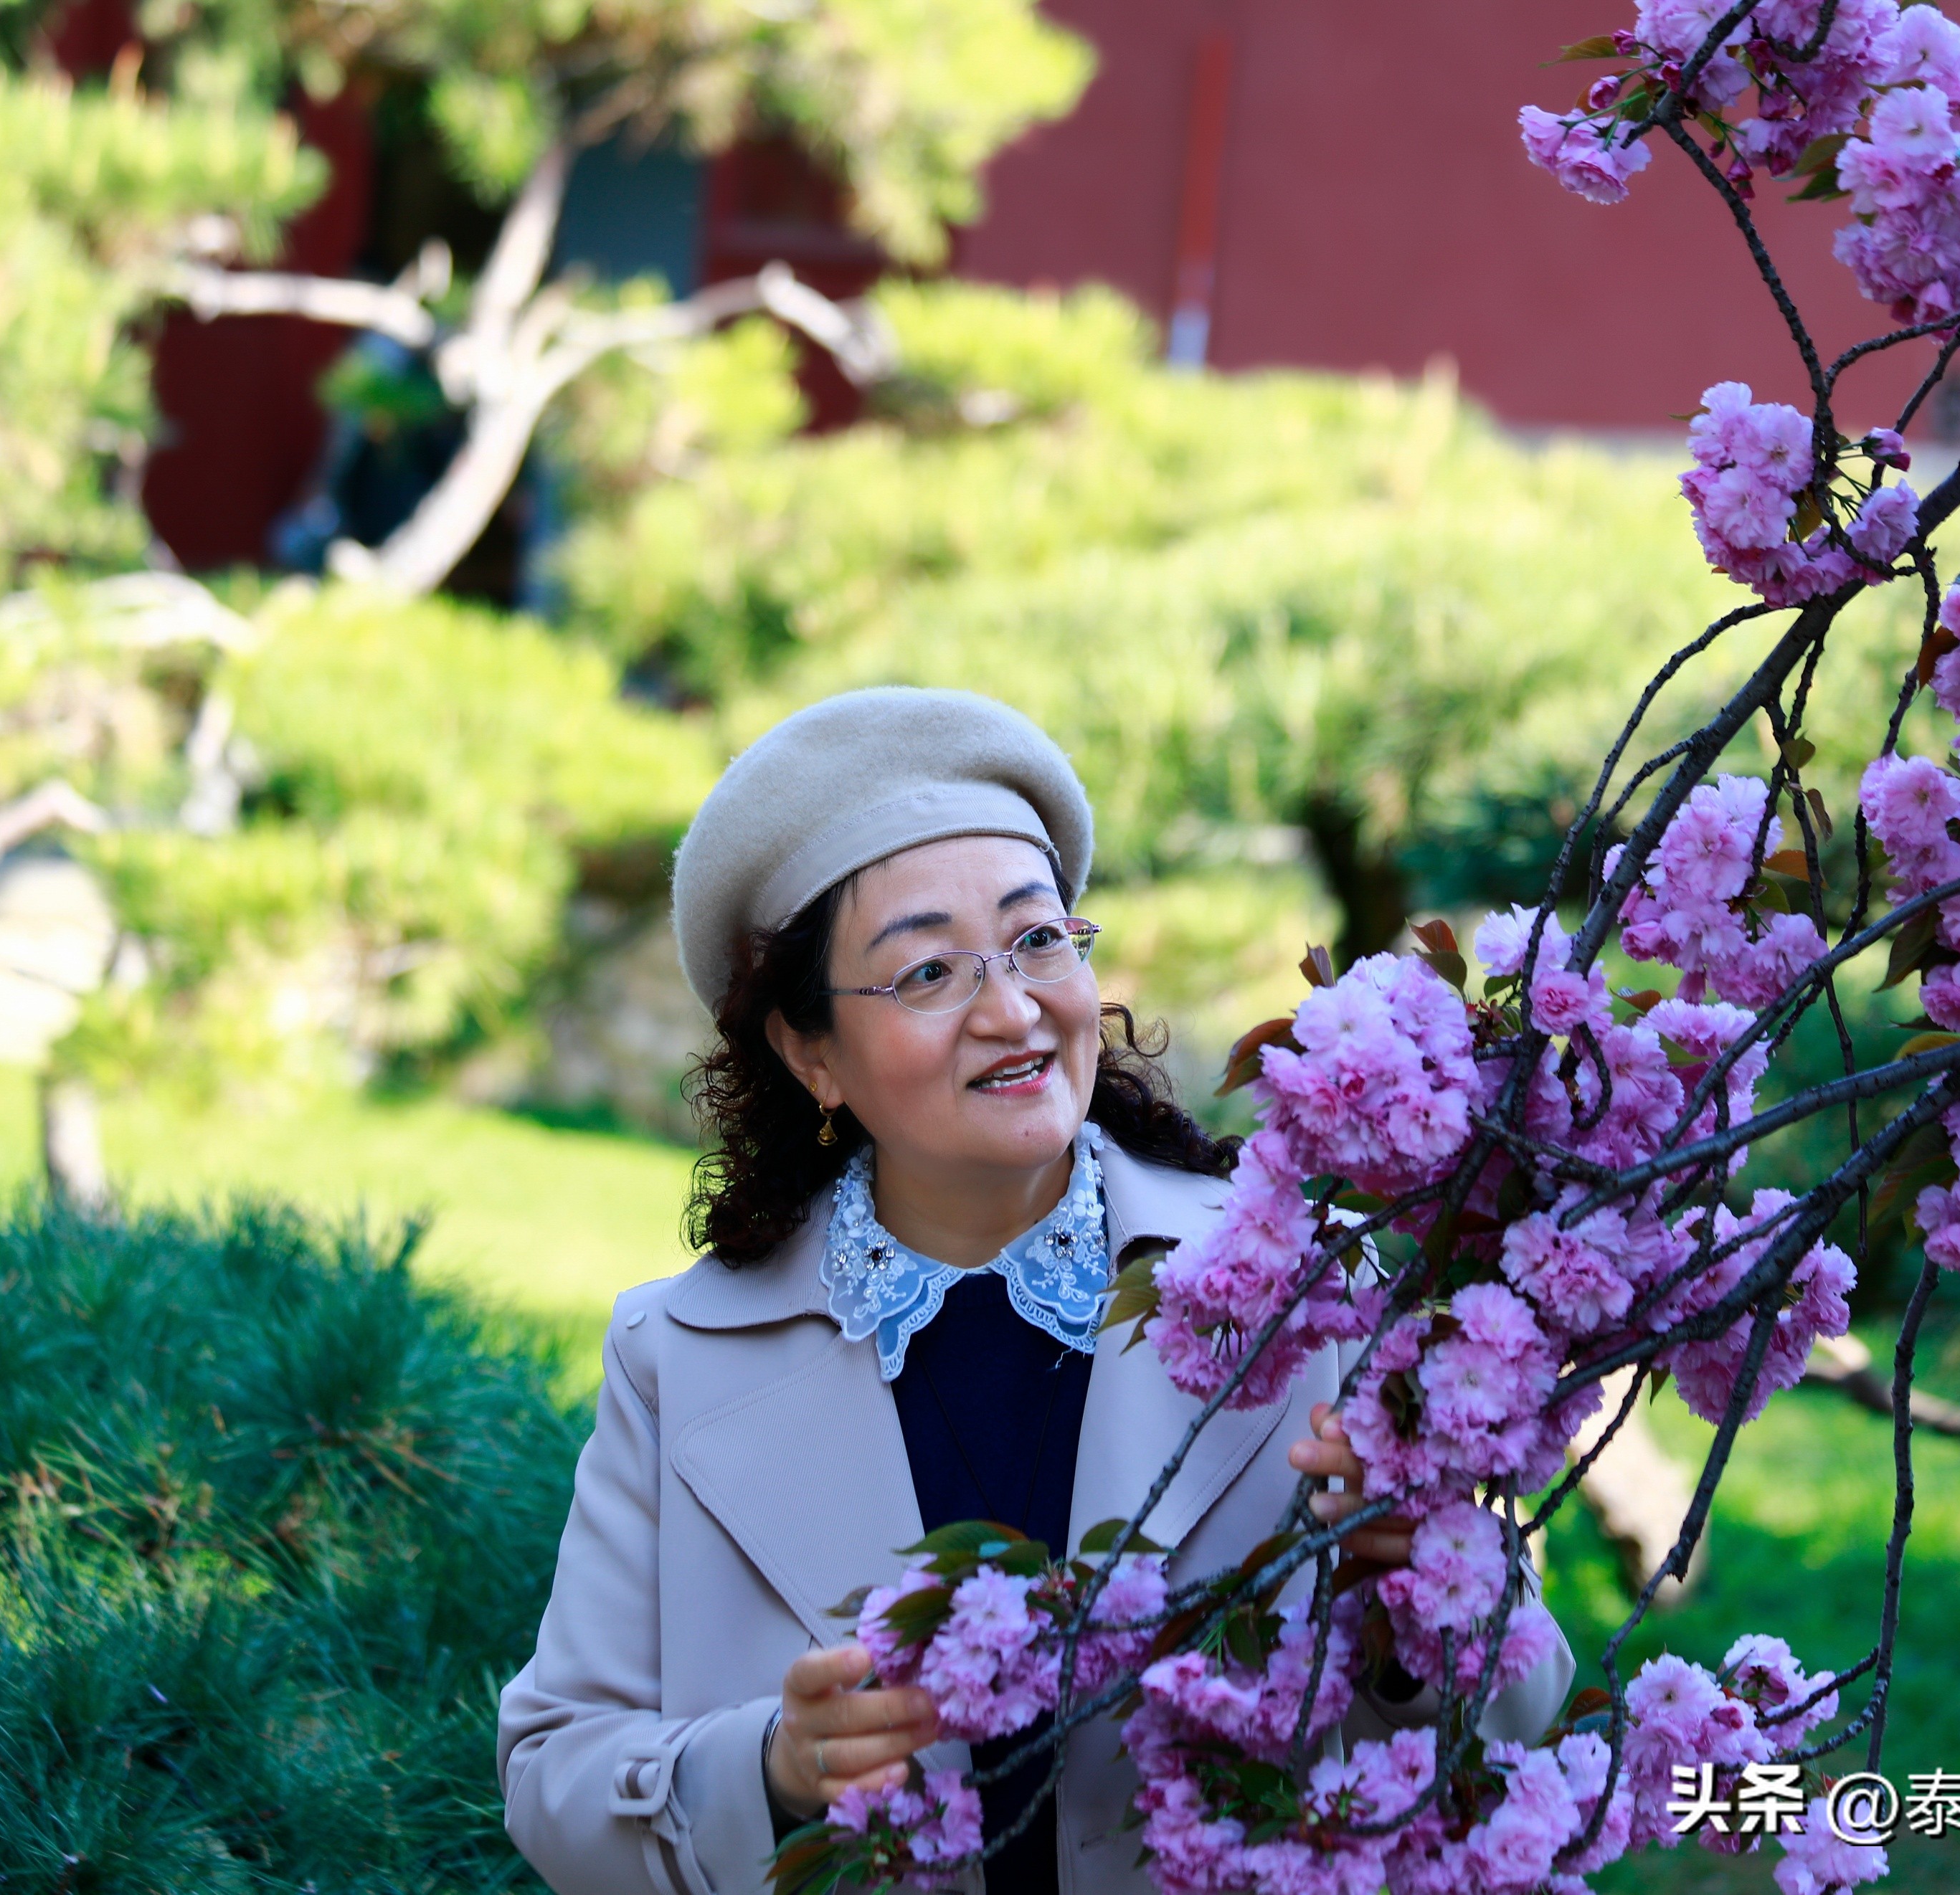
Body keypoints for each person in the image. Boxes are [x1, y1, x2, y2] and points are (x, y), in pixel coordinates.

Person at [498, 688, 1573, 1895]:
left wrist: (1413, 1596)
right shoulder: (680, 1355)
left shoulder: (1299, 1278)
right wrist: (776, 1769)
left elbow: (1521, 1711)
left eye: (1038, 941)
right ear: (809, 1055)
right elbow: (556, 1774)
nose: (1012, 1011)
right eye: (926, 974)